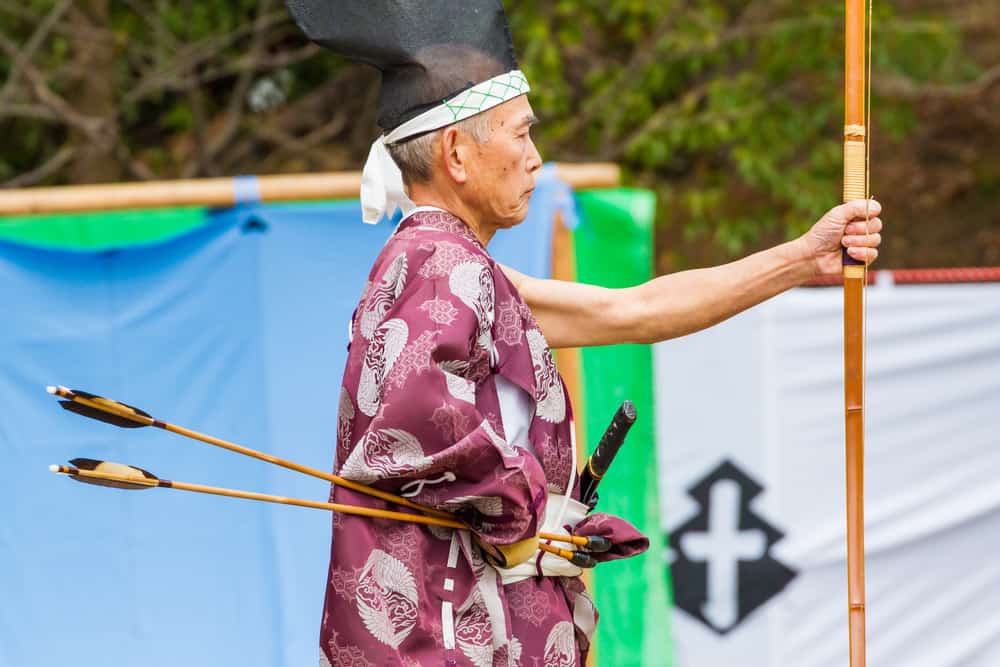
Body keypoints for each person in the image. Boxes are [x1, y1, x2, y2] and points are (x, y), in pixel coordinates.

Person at [286, 2, 883, 665]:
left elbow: (637, 311)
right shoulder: (439, 264)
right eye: (521, 136)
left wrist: (804, 257)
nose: (535, 160)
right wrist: (531, 511)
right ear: (456, 153)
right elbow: (421, 417)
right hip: (441, 639)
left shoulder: (458, 267)